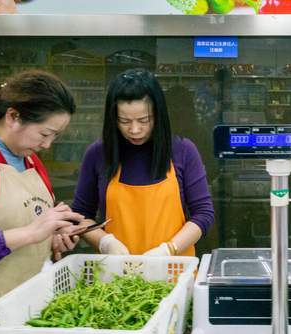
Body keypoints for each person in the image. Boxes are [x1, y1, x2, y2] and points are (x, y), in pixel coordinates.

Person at [72, 68, 215, 257]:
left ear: (158, 115)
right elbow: (81, 216)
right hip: (115, 272)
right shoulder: (98, 154)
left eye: (144, 120)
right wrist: (105, 242)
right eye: (124, 121)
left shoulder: (183, 151)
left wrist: (169, 249)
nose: (135, 130)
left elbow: (203, 214)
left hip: (174, 269)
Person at [0, 70, 83, 312]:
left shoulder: (31, 161)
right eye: (44, 134)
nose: (47, 144)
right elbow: (28, 231)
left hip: (27, 310)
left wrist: (52, 235)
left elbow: (28, 222)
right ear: (13, 116)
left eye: (55, 136)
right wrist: (31, 233)